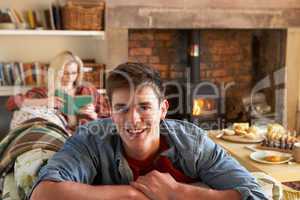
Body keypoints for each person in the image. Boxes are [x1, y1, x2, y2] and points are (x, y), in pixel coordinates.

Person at [29, 62, 268, 200]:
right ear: (110, 111)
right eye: (122, 108)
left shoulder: (192, 142)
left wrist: (177, 192)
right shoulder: (91, 138)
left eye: (144, 107)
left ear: (163, 109)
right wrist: (132, 194)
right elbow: (43, 193)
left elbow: (255, 195)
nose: (133, 119)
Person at [6, 51, 110, 131]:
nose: (69, 77)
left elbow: (109, 119)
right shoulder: (44, 92)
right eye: (65, 73)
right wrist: (45, 101)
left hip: (86, 140)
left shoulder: (88, 91)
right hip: (56, 141)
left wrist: (94, 116)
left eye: (74, 73)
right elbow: (11, 103)